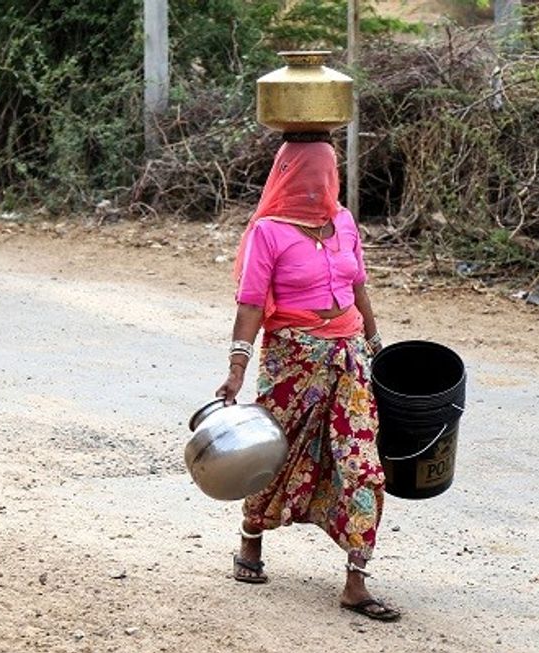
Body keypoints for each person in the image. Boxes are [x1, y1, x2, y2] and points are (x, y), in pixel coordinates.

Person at [214, 138, 401, 622]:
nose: (321, 184)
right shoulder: (268, 232)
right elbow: (252, 303)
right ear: (290, 175)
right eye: (310, 174)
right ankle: (251, 539)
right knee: (276, 450)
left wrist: (376, 345)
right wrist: (237, 368)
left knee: (362, 463)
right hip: (293, 359)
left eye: (328, 173)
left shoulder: (343, 221)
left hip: (350, 356)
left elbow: (358, 285)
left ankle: (356, 581)